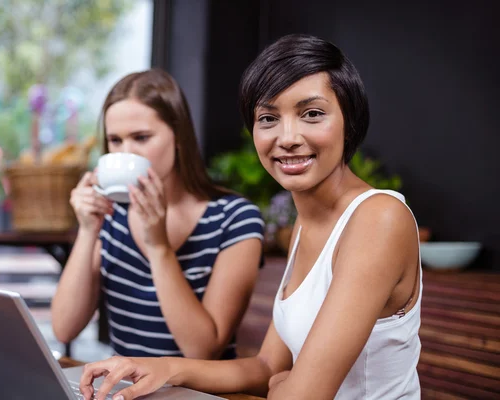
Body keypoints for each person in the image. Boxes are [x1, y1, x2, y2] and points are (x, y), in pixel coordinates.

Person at [78, 34, 422, 400]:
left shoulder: (379, 218)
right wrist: (163, 367)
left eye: (312, 114)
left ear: (349, 122)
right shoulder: (305, 223)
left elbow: (300, 396)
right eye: (268, 118)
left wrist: (286, 387)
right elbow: (267, 369)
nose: (287, 137)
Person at [51, 69, 265, 361]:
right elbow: (64, 329)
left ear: (178, 136)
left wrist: (159, 247)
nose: (126, 152)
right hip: (124, 390)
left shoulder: (235, 219)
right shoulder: (112, 215)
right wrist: (88, 231)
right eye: (115, 140)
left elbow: (203, 350)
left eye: (141, 137)